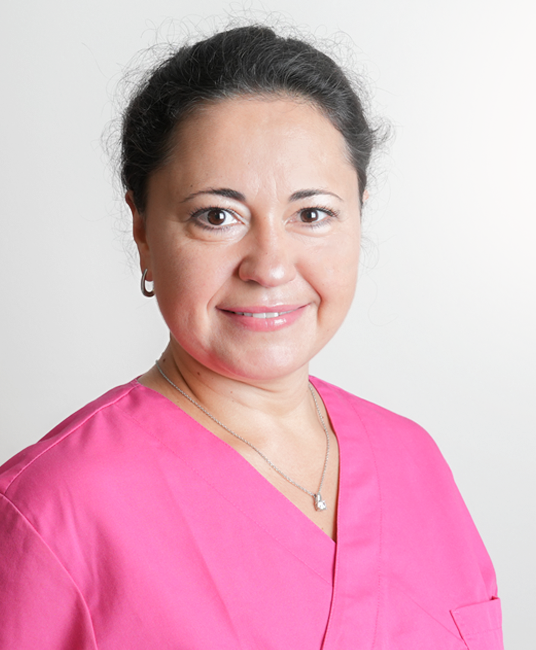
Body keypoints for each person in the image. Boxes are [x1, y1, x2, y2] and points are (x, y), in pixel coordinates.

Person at [0, 25, 502, 649]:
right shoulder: (51, 510)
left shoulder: (413, 461)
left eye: (312, 214)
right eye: (217, 216)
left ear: (359, 215)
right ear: (142, 231)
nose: (269, 267)